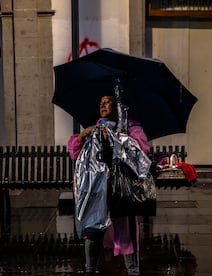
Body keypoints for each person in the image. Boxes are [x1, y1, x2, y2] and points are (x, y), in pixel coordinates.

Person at [68, 93, 150, 275]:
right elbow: (74, 152)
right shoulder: (95, 128)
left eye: (108, 102)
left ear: (118, 106)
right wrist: (82, 136)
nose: (103, 106)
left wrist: (117, 137)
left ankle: (133, 270)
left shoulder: (130, 127)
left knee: (125, 230)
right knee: (93, 229)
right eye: (101, 103)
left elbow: (141, 148)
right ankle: (90, 269)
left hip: (120, 189)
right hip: (97, 190)